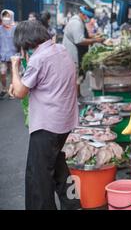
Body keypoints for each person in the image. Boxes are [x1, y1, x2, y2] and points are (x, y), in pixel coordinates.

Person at [9, 21, 81, 210]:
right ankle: (73, 205)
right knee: (58, 168)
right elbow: (36, 81)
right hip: (64, 122)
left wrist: (14, 67)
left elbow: (19, 92)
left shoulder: (39, 58)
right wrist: (19, 82)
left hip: (47, 125)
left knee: (38, 179)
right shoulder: (60, 49)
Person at [62, 6, 104, 95]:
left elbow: (84, 35)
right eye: (87, 17)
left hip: (79, 53)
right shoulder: (76, 23)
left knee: (79, 76)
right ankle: (76, 97)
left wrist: (94, 36)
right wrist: (96, 40)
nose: (88, 19)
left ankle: (78, 95)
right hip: (73, 54)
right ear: (82, 14)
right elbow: (79, 40)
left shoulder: (79, 21)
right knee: (76, 76)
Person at [0, 9, 17, 99]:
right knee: (2, 73)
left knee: (13, 73)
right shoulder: (0, 28)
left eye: (8, 16)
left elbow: (18, 41)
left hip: (13, 54)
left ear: (11, 17)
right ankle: (4, 89)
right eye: (4, 16)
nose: (5, 18)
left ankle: (12, 91)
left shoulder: (15, 28)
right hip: (2, 55)